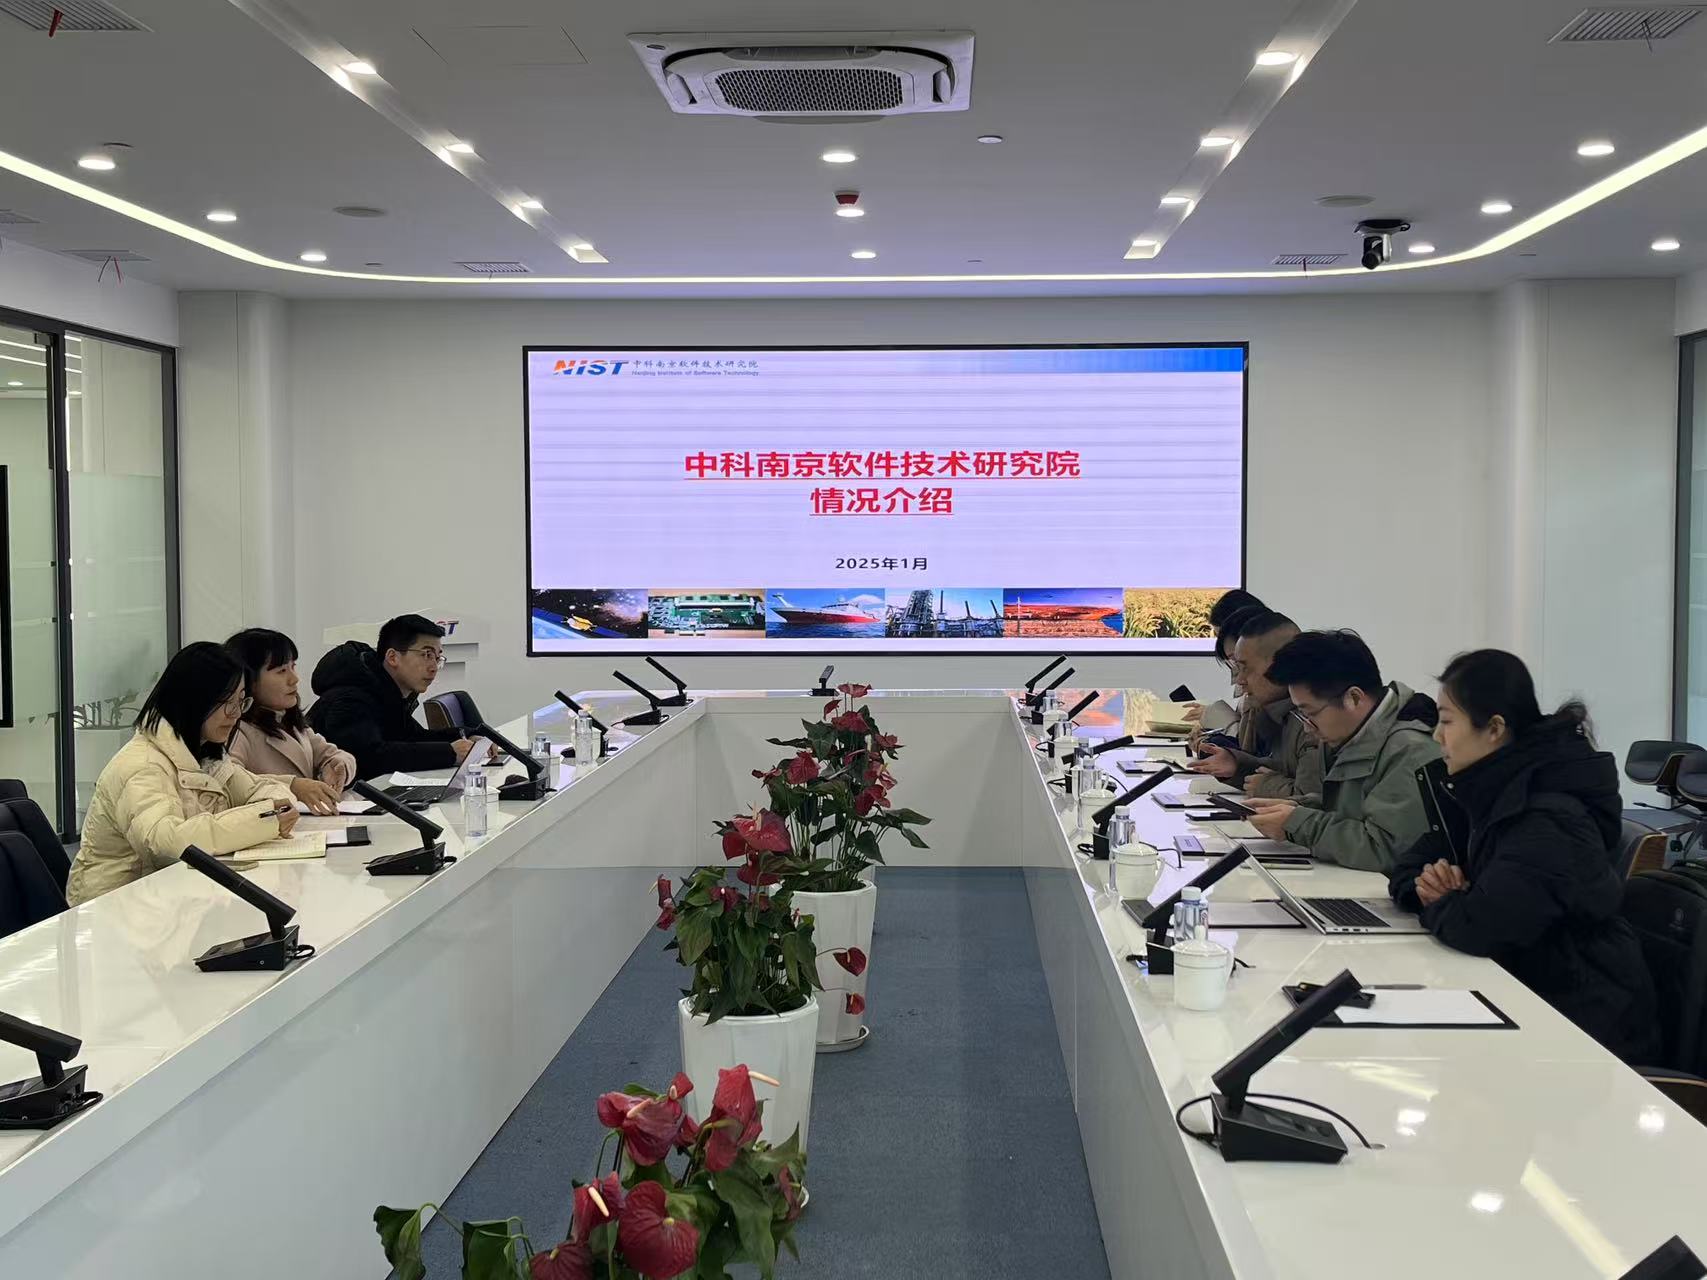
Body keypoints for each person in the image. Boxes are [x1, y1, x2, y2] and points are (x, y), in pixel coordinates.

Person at [1388, 650, 1660, 1063]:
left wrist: (1445, 899)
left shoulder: (1547, 817)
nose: (1437, 737)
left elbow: (1481, 927)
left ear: (1494, 729)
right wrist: (1429, 888)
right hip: (1527, 996)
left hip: (1581, 1028)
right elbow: (1412, 864)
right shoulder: (1486, 790)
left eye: (1446, 721)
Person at [68, 643, 297, 905]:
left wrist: (272, 811)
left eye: (241, 701)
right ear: (192, 700)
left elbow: (263, 791)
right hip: (116, 909)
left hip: (170, 899)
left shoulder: (204, 754)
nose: (235, 714)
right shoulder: (142, 765)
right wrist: (263, 819)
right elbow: (167, 844)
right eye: (226, 702)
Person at [1244, 629, 1440, 872]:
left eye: (1310, 713)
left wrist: (1300, 824)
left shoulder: (1411, 750)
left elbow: (1386, 848)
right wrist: (1294, 810)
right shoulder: (1353, 733)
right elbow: (1350, 811)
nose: (1307, 727)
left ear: (1354, 698)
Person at [306, 614, 475, 779]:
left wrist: (468, 736)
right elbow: (369, 758)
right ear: (393, 657)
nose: (434, 667)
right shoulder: (352, 697)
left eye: (437, 658)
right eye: (426, 655)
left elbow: (412, 737)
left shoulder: (388, 690)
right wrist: (450, 753)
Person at [1189, 610, 1322, 802]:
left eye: (1246, 668)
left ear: (1282, 665)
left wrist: (1266, 786)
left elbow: (1314, 801)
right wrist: (1236, 765)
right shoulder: (1268, 711)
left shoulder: (1312, 723)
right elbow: (1279, 771)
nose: (1240, 680)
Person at [226, 628, 357, 816]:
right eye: (281, 671)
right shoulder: (238, 730)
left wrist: (339, 766)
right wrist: (293, 786)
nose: (294, 679)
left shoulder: (290, 723)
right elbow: (231, 783)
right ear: (248, 680)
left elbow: (335, 754)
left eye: (293, 667)